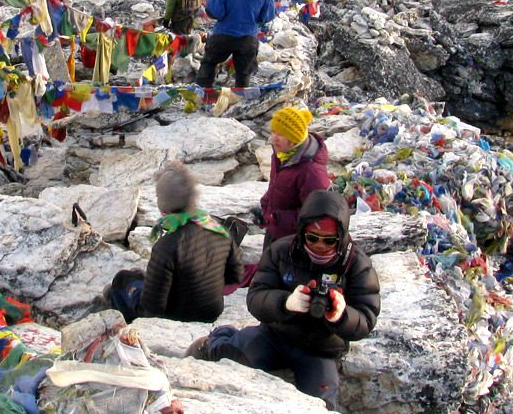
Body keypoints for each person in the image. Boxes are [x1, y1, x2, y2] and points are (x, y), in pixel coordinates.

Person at [187, 190, 381, 410]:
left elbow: (366, 318)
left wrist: (341, 315)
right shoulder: (281, 251)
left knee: (320, 404)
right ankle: (215, 341)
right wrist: (286, 302)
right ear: (302, 231)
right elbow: (256, 296)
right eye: (312, 237)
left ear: (341, 235)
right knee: (234, 354)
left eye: (329, 240)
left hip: (321, 349)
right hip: (275, 335)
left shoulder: (356, 265)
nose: (319, 245)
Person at [107, 162, 244, 323]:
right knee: (142, 276)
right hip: (212, 311)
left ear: (163, 204)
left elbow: (152, 307)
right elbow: (235, 275)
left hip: (176, 317)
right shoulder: (219, 231)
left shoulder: (166, 246)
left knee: (123, 280)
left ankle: (123, 327)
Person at [195, 0, 274, 90]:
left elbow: (213, 11)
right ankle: (239, 100)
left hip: (223, 36)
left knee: (209, 64)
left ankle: (203, 95)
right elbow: (267, 16)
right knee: (243, 74)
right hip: (248, 39)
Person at [256, 106, 330, 247]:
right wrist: (265, 207)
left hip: (295, 242)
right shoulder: (282, 154)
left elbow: (315, 214)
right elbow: (276, 185)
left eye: (281, 134)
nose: (273, 139)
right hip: (276, 231)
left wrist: (275, 218)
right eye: (273, 132)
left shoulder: (312, 172)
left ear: (294, 139)